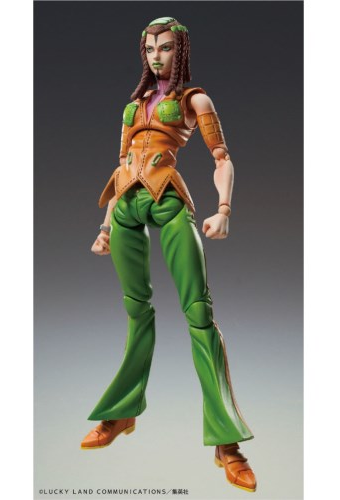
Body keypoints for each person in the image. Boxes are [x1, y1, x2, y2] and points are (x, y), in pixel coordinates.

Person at [81, 17, 257, 493]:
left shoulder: (194, 100)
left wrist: (224, 209)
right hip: (126, 209)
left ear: (181, 51)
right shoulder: (132, 106)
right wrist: (105, 226)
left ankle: (226, 441)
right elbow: (121, 166)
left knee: (199, 314)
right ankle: (121, 412)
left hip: (169, 202)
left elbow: (222, 157)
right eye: (150, 49)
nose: (157, 56)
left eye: (166, 48)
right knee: (136, 311)